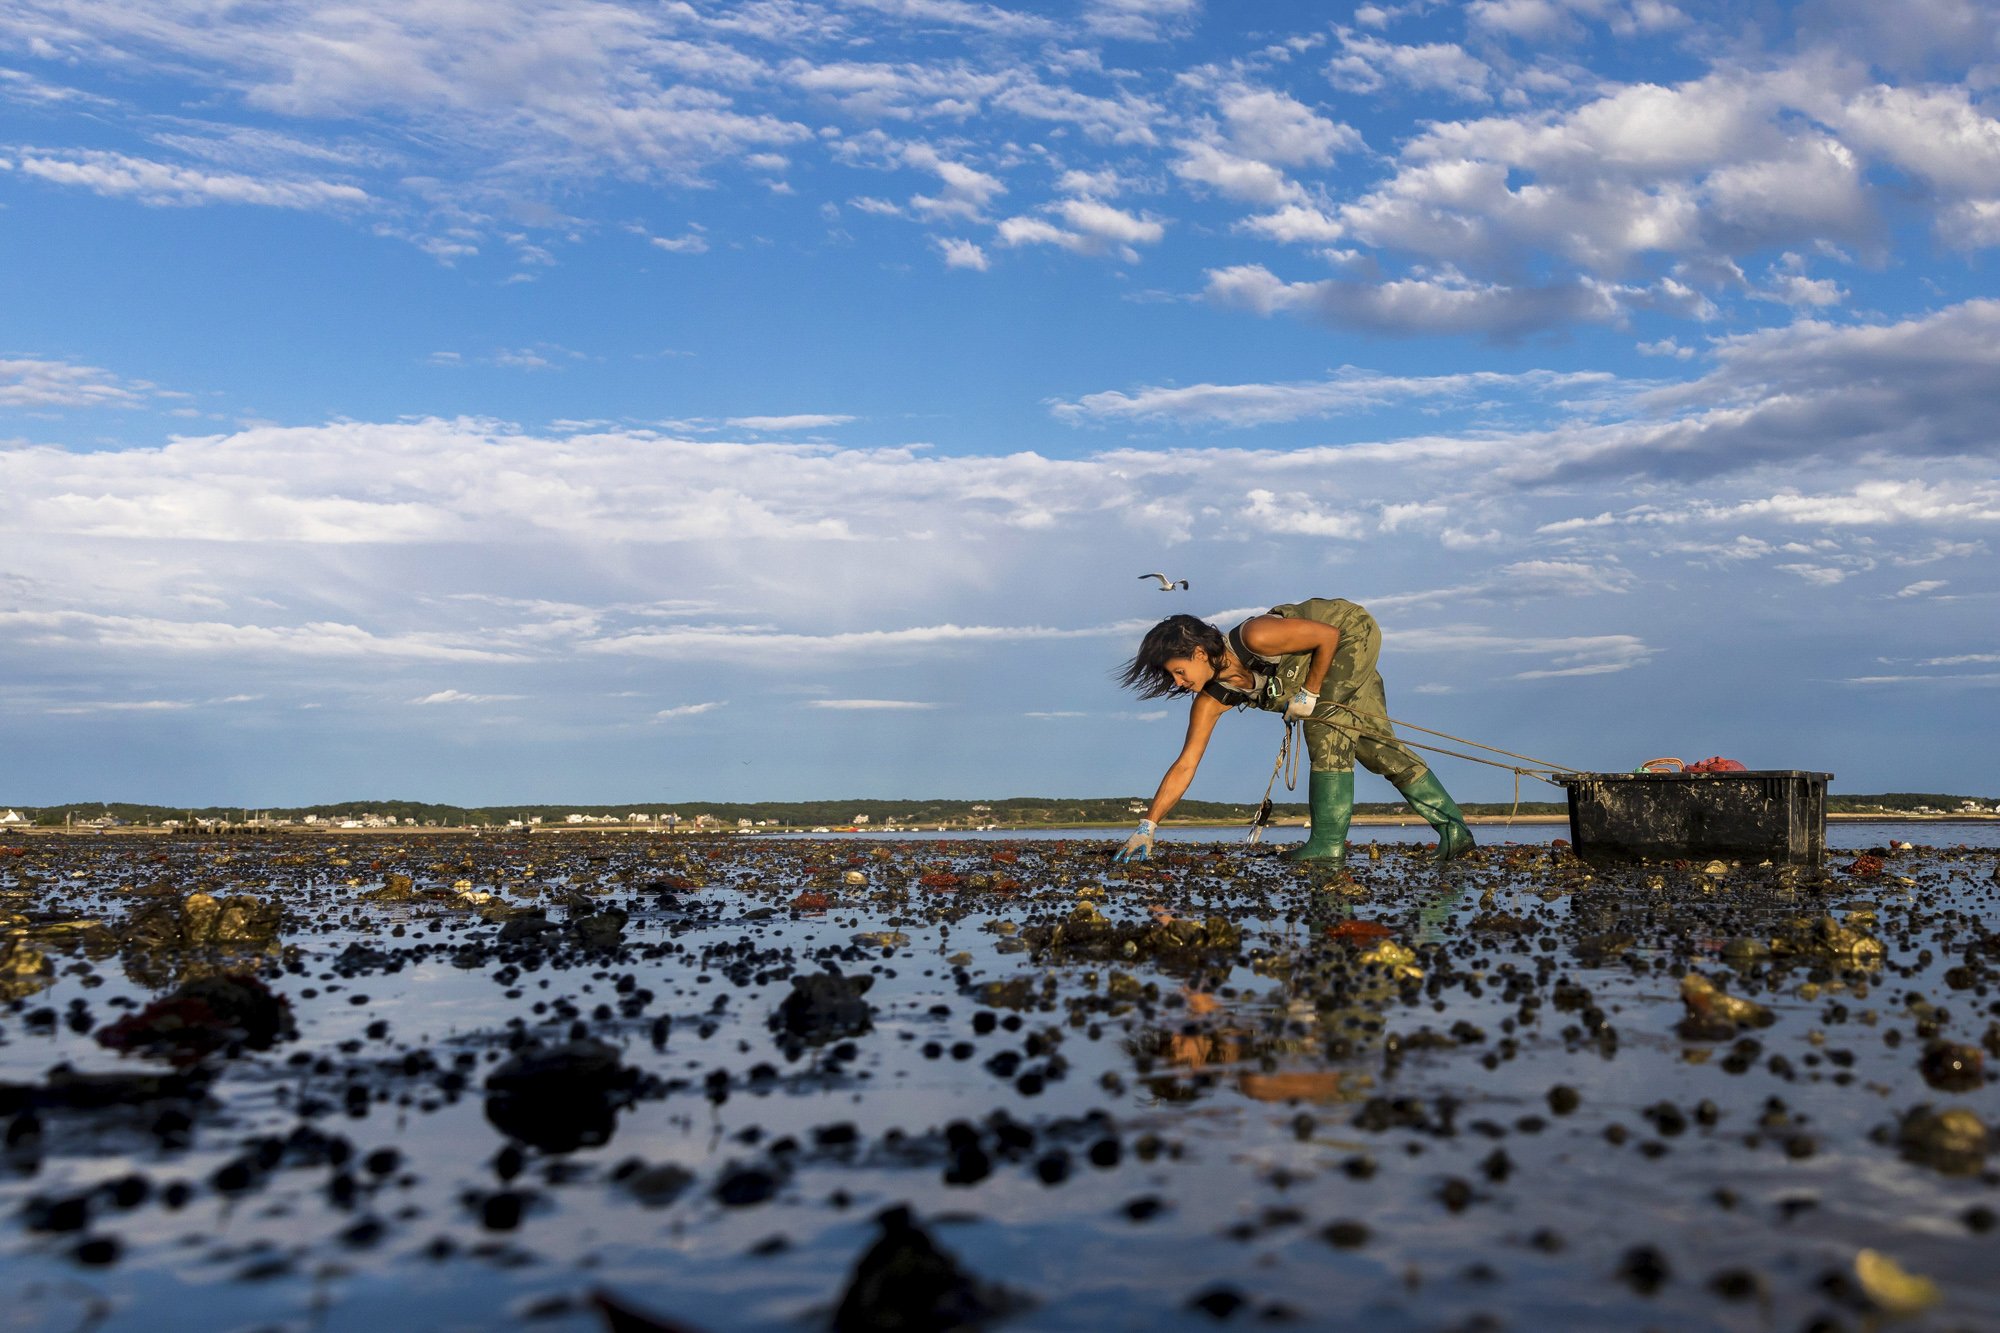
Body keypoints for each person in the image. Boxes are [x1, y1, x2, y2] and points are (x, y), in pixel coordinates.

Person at [1112, 599, 1474, 867]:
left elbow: (1328, 635)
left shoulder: (1255, 635)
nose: (1178, 682)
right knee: (1378, 750)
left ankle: (1326, 844)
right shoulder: (1212, 699)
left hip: (1350, 635)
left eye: (1178, 671)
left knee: (1323, 727)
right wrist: (1148, 825)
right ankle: (1454, 832)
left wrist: (1311, 691)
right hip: (1330, 671)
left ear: (1198, 653)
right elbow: (1186, 764)